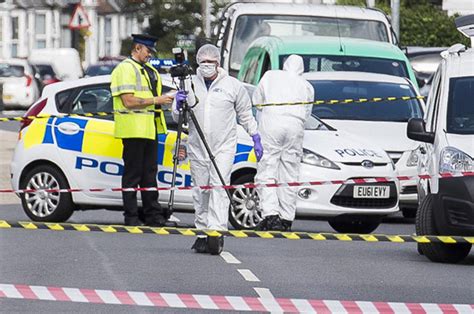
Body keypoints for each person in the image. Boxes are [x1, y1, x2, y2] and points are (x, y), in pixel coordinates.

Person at [173, 44, 263, 254]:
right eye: (202, 62)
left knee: (219, 188)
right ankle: (202, 232)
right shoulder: (189, 84)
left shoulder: (232, 85)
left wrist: (255, 136)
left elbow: (245, 114)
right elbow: (179, 118)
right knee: (201, 191)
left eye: (210, 62)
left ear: (218, 64)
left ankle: (216, 232)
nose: (206, 66)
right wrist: (178, 104)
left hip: (223, 146)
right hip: (197, 146)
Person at [110, 34, 174, 227]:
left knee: (149, 175)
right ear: (137, 48)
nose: (150, 55)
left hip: (149, 129)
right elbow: (128, 101)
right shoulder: (125, 69)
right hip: (133, 130)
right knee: (132, 175)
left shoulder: (149, 70)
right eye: (148, 51)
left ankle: (152, 215)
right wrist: (158, 100)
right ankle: (131, 217)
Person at [253, 54, 314, 231]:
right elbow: (307, 114)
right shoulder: (306, 85)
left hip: (272, 123)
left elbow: (257, 101)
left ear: (285, 64)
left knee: (267, 170)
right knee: (290, 172)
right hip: (295, 127)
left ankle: (270, 215)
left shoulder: (271, 75)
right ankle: (286, 218)